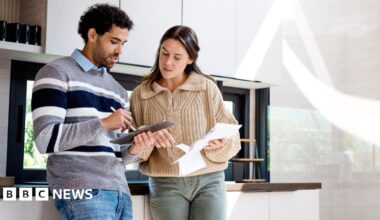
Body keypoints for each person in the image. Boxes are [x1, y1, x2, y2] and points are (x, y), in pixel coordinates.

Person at [31, 4, 154, 220]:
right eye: (114, 41)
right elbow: (44, 139)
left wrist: (136, 147)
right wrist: (104, 123)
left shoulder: (117, 90)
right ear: (92, 35)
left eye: (123, 43)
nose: (120, 51)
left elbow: (116, 155)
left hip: (120, 192)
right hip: (82, 190)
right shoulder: (56, 72)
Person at [130, 25, 241, 220]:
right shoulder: (141, 94)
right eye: (164, 53)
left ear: (190, 59)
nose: (168, 62)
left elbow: (233, 140)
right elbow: (133, 154)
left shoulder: (207, 88)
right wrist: (147, 139)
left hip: (209, 181)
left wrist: (218, 145)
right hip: (165, 184)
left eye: (177, 57)